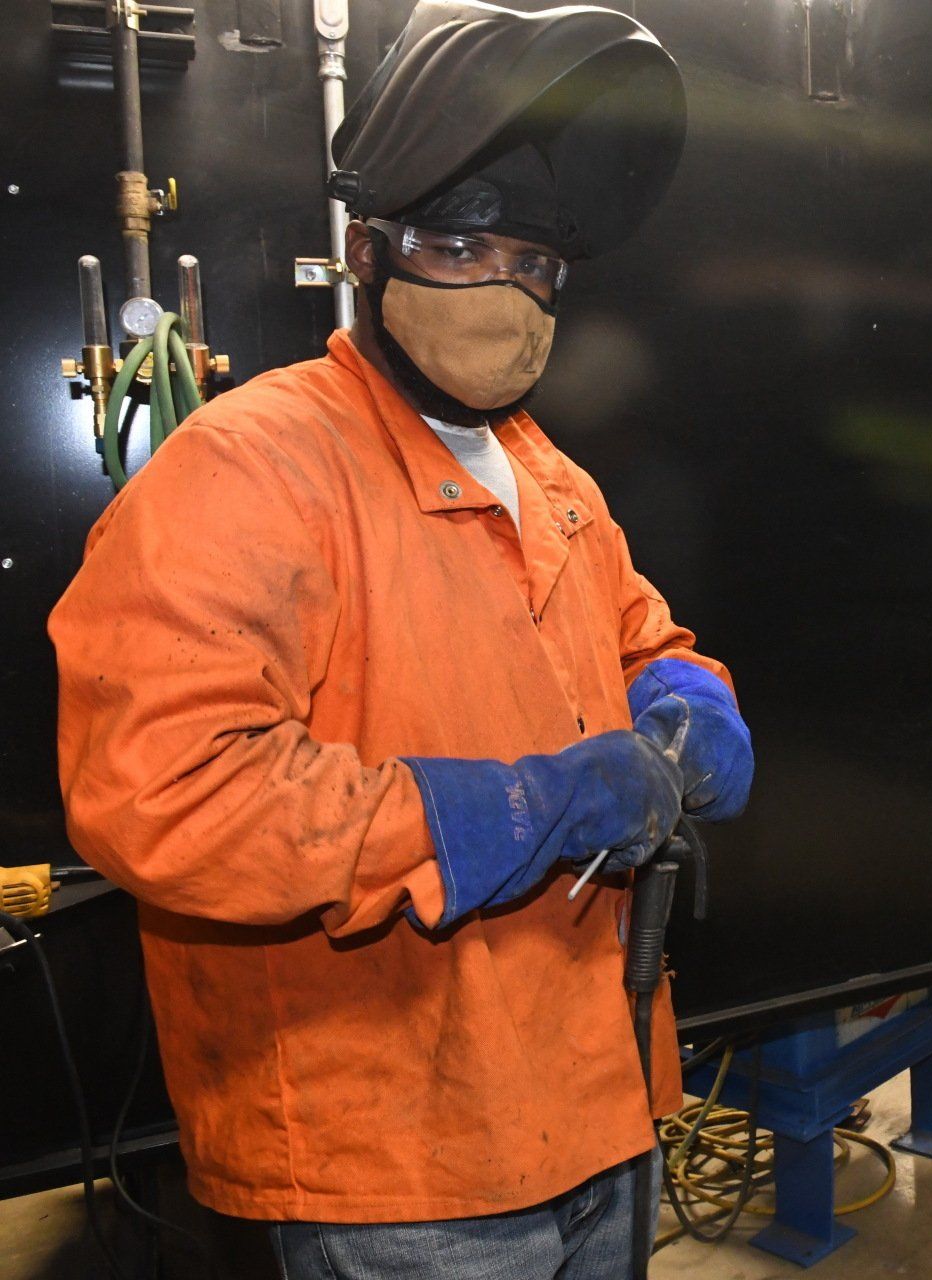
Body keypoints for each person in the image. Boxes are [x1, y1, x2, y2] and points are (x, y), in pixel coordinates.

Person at [47, 4, 749, 1277]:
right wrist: (518, 808)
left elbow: (645, 638)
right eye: (463, 243)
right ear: (368, 252)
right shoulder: (250, 467)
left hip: (599, 1091)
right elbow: (164, 793)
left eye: (534, 262)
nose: (504, 289)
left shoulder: (551, 473)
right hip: (398, 1151)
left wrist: (691, 700)